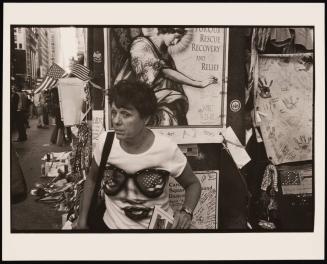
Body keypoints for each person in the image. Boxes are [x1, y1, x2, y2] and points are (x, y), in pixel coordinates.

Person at [74, 80, 201, 230]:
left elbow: (193, 184)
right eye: (114, 112)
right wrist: (82, 220)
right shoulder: (105, 143)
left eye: (125, 114)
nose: (116, 121)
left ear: (146, 118)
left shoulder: (166, 148)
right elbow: (92, 179)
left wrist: (186, 212)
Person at [114, 27, 218, 126]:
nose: (176, 42)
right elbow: (163, 72)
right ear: (166, 30)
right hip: (137, 102)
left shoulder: (164, 54)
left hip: (160, 100)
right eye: (176, 37)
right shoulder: (140, 45)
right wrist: (198, 83)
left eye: (180, 39)